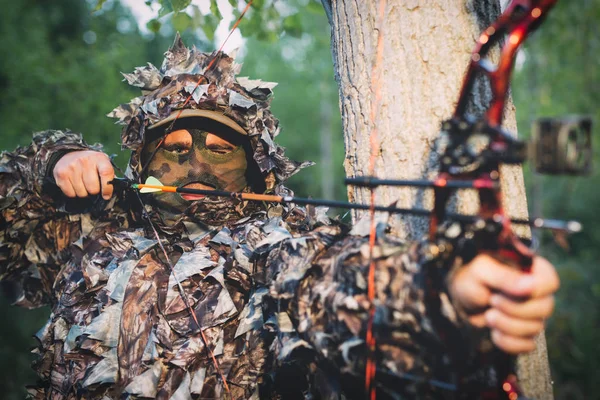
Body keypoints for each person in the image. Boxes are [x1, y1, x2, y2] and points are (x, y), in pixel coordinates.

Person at [0, 35, 558, 399]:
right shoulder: (87, 226)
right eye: (172, 147)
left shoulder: (276, 239)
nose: (194, 165)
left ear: (258, 168)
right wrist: (51, 166)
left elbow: (334, 280)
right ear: (140, 162)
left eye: (220, 151)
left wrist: (444, 289)